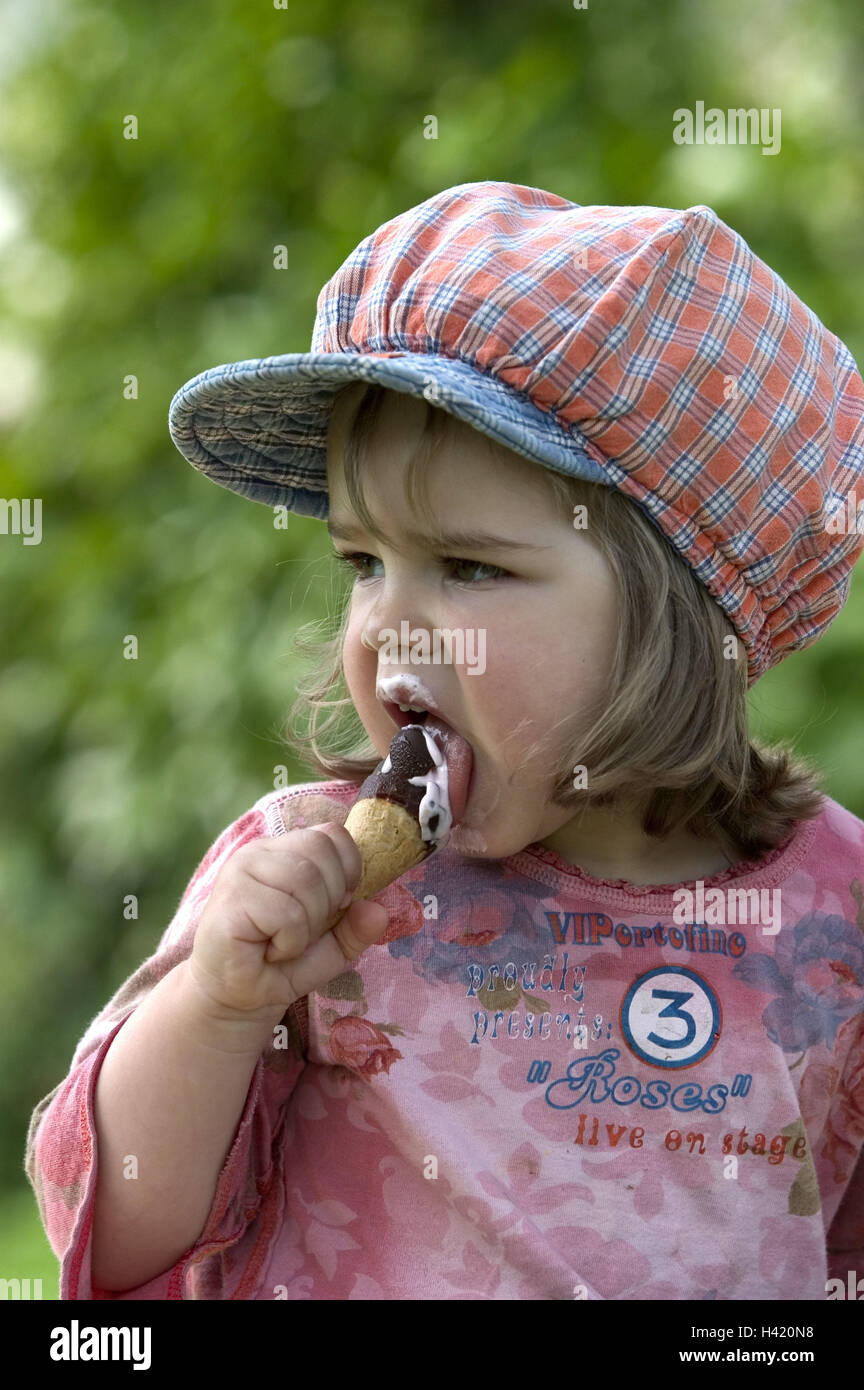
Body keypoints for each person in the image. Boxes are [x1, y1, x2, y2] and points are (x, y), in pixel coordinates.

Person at [25, 182, 864, 1300]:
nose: (386, 626)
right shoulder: (299, 887)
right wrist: (219, 1010)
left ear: (679, 613)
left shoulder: (832, 920)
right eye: (365, 562)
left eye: (468, 566)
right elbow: (111, 1235)